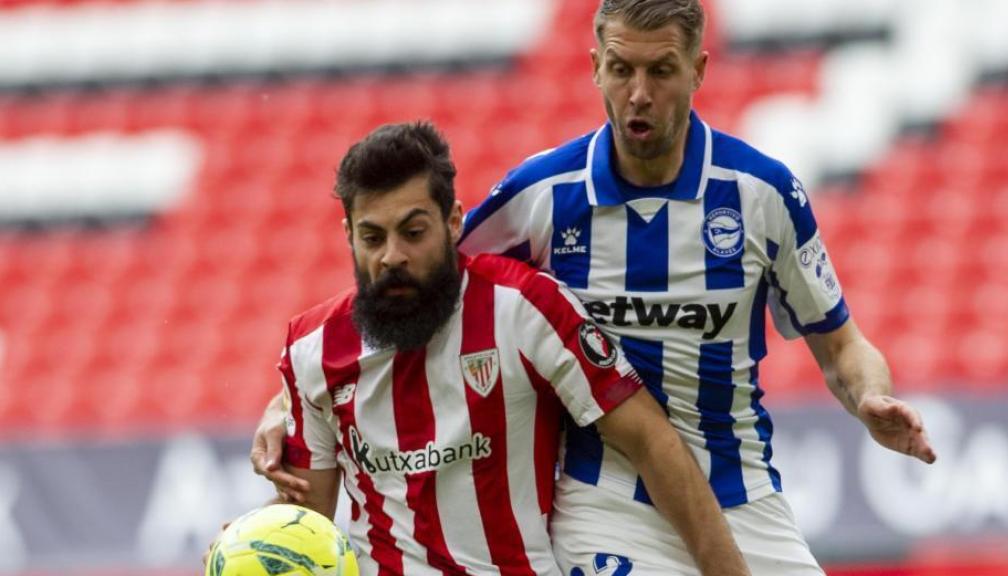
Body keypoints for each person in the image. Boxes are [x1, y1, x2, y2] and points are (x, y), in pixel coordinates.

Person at [255, 1, 937, 574]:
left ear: (698, 70)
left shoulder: (763, 193)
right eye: (621, 69)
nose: (638, 92)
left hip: (743, 490)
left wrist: (870, 394)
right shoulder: (539, 195)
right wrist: (286, 400)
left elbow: (842, 345)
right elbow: (412, 280)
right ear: (594, 68)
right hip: (603, 497)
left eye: (661, 70)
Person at [261, 121, 748, 575]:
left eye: (413, 233)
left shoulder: (525, 309)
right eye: (372, 237)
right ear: (348, 236)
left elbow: (650, 440)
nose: (392, 256)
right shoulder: (312, 351)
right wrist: (252, 545)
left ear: (453, 223)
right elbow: (308, 520)